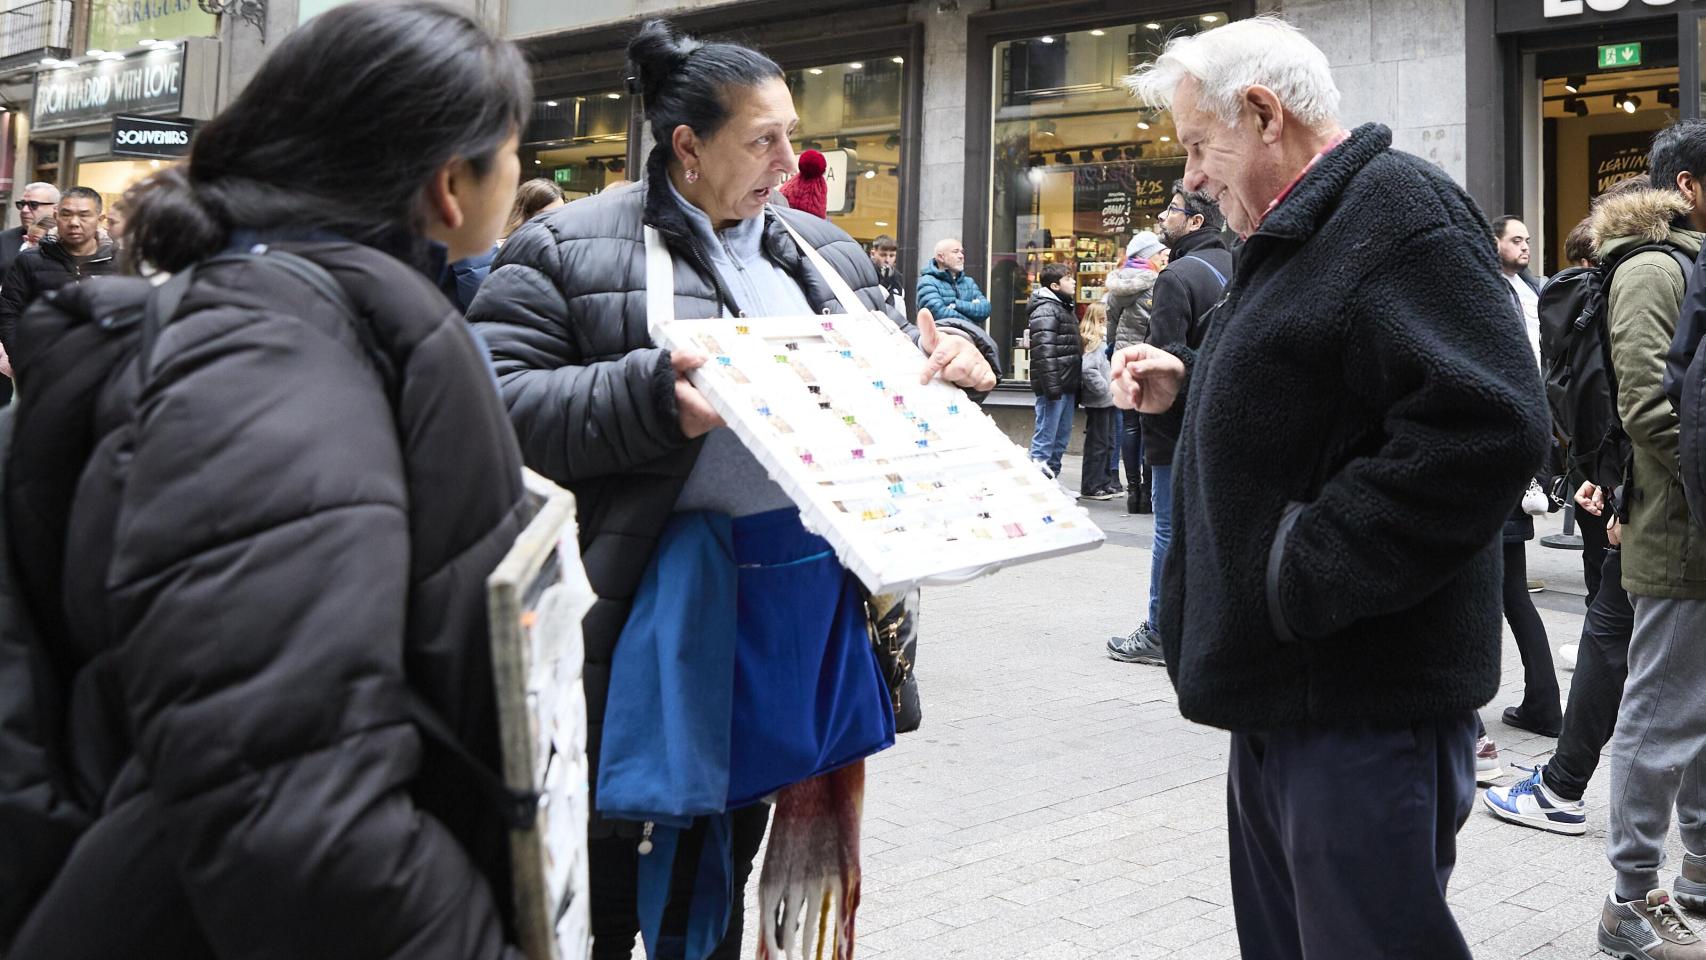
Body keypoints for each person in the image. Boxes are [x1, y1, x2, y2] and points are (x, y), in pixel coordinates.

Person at [0, 2, 534, 956]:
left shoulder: (304, 327)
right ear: (451, 185)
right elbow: (291, 801)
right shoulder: (276, 359)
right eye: (516, 151)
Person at [465, 20, 998, 959]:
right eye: (763, 140)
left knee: (735, 842)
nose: (789, 161)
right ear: (688, 147)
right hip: (639, 624)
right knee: (610, 883)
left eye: (791, 133)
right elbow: (491, 409)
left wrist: (959, 356)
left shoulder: (821, 254)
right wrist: (651, 396)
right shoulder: (566, 246)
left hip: (794, 618)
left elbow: (897, 366)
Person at [1116, 18, 1548, 959]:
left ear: (1265, 114)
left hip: (1357, 698)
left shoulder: (1398, 214)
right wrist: (1192, 387)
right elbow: (1325, 398)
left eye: (1198, 145)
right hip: (1290, 692)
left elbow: (1489, 424)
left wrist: (1300, 569)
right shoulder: (1300, 227)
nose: (1190, 175)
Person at [1582, 119, 1706, 958]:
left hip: (1693, 521)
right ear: (1689, 187)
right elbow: (1651, 408)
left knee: (1695, 712)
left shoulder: (1684, 262)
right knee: (1657, 719)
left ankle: (1698, 870)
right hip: (1677, 532)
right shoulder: (1654, 268)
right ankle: (1629, 897)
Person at [1107, 179, 1230, 666]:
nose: (1162, 217)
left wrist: (1153, 439)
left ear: (1195, 222)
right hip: (1220, 422)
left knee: (1168, 532)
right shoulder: (1234, 265)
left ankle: (1159, 630)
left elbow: (1164, 367)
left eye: (1172, 210)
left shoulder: (1176, 278)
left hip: (1177, 430)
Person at [1483, 480, 1629, 837]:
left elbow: (1663, 430)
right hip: (1664, 514)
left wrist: (1627, 498)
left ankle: (1556, 787)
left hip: (1664, 521)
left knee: (1606, 637)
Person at [0, 186, 117, 361]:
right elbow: (9, 312)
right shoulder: (30, 260)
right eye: (66, 214)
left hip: (103, 370)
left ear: (99, 219)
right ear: (56, 217)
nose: (74, 222)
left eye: (84, 215)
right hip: (44, 368)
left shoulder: (120, 263)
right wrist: (22, 360)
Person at [1104, 234, 1163, 513]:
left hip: (1125, 356)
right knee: (1149, 424)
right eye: (1160, 252)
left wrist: (1113, 347)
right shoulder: (1159, 281)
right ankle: (1149, 492)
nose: (1164, 256)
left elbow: (1111, 321)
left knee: (1129, 425)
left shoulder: (1119, 284)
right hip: (1149, 357)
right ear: (1149, 255)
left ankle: (1133, 493)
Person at [1026, 261, 1079, 479]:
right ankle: (1037, 484)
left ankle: (1052, 481)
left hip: (1065, 383)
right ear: (1055, 286)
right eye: (1068, 278)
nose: (1073, 281)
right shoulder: (1047, 309)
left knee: (1060, 438)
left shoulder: (1062, 307)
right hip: (1054, 386)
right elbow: (1043, 351)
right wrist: (1052, 387)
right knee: (1046, 438)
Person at [1078, 301, 1118, 499]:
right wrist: (1105, 389)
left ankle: (1103, 481)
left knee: (1107, 442)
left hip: (1106, 400)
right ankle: (1092, 485)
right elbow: (1088, 370)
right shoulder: (1095, 342)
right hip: (1100, 400)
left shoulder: (1100, 341)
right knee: (1098, 444)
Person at [1494, 215, 1543, 360]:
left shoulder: (1535, 287)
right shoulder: (1487, 287)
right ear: (1495, 243)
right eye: (1516, 241)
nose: (1525, 247)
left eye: (1527, 241)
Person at [916, 237, 991, 330]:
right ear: (940, 257)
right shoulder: (928, 281)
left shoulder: (969, 282)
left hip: (969, 340)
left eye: (962, 252)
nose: (961, 256)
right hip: (940, 341)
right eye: (955, 252)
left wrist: (956, 305)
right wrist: (972, 324)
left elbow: (985, 309)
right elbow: (939, 314)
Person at [0, 182, 60, 279]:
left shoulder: (69, 241)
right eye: (22, 204)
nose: (24, 210)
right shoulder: (3, 240)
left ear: (56, 208)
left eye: (33, 204)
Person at [500, 176, 565, 241]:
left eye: (560, 215)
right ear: (524, 215)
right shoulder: (501, 247)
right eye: (545, 216)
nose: (555, 222)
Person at [869, 233, 904, 311]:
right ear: (873, 254)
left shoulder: (898, 277)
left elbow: (901, 309)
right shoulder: (865, 274)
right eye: (883, 255)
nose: (887, 260)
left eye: (891, 256)